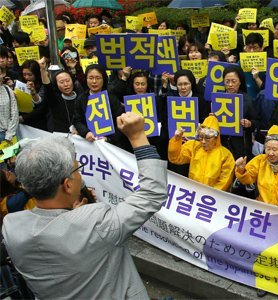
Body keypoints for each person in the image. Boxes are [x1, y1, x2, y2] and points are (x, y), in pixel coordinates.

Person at [2, 111, 168, 299]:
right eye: (77, 168)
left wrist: (69, 216)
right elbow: (152, 193)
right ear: (67, 184)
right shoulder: (95, 223)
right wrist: (138, 136)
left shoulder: (11, 225)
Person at [168, 116, 235, 191]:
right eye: (201, 137)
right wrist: (176, 140)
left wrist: (211, 194)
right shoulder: (194, 146)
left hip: (213, 198)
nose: (203, 141)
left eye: (207, 138)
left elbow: (225, 181)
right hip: (193, 193)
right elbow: (175, 158)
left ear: (216, 137)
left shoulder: (225, 155)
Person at [220, 66, 259, 159]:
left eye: (234, 81)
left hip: (241, 145)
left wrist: (249, 124)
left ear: (240, 82)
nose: (230, 85)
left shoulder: (247, 100)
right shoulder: (217, 98)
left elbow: (257, 122)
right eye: (227, 81)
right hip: (221, 144)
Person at [0, 66, 18, 146]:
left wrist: (9, 134)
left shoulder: (7, 90)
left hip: (7, 134)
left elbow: (14, 113)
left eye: (0, 74)